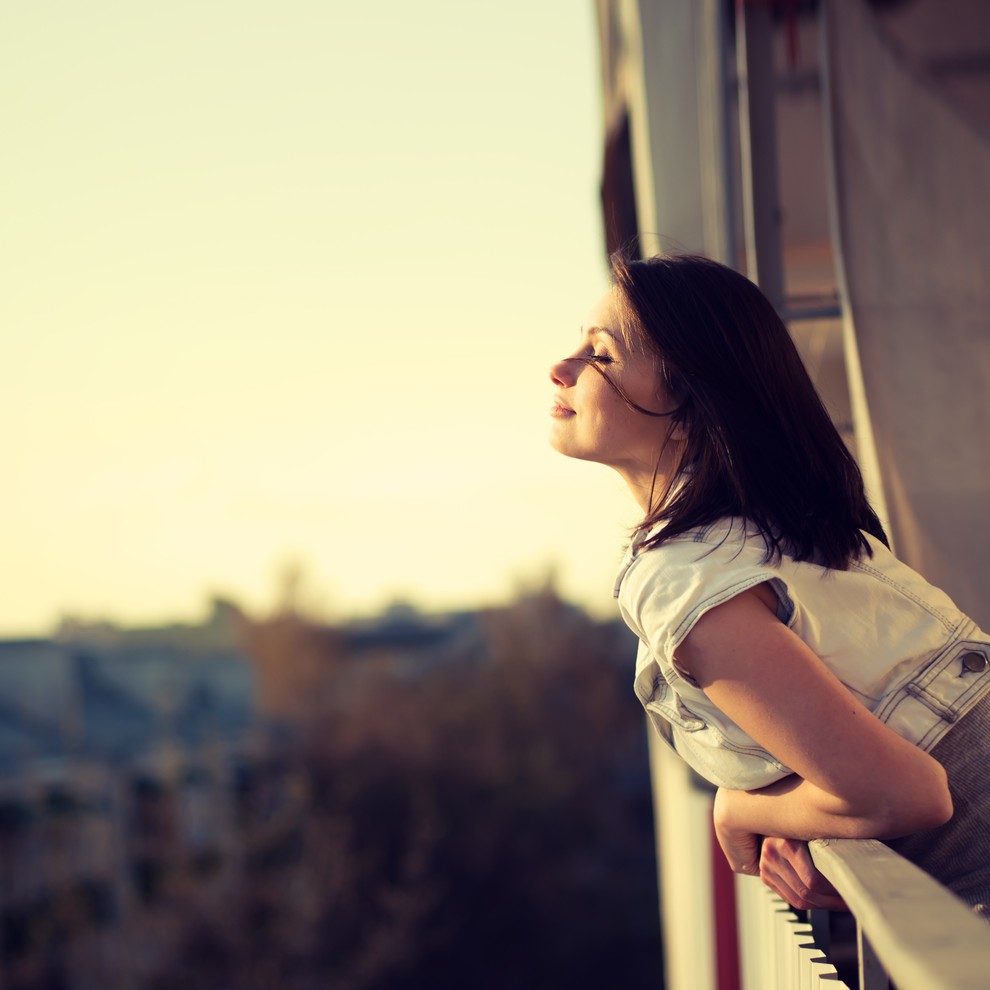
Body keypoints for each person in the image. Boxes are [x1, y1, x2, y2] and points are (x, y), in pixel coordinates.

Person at [548, 252, 990, 916]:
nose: (562, 367)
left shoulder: (689, 583)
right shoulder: (770, 532)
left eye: (602, 354)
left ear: (691, 399)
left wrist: (741, 807)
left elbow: (908, 794)